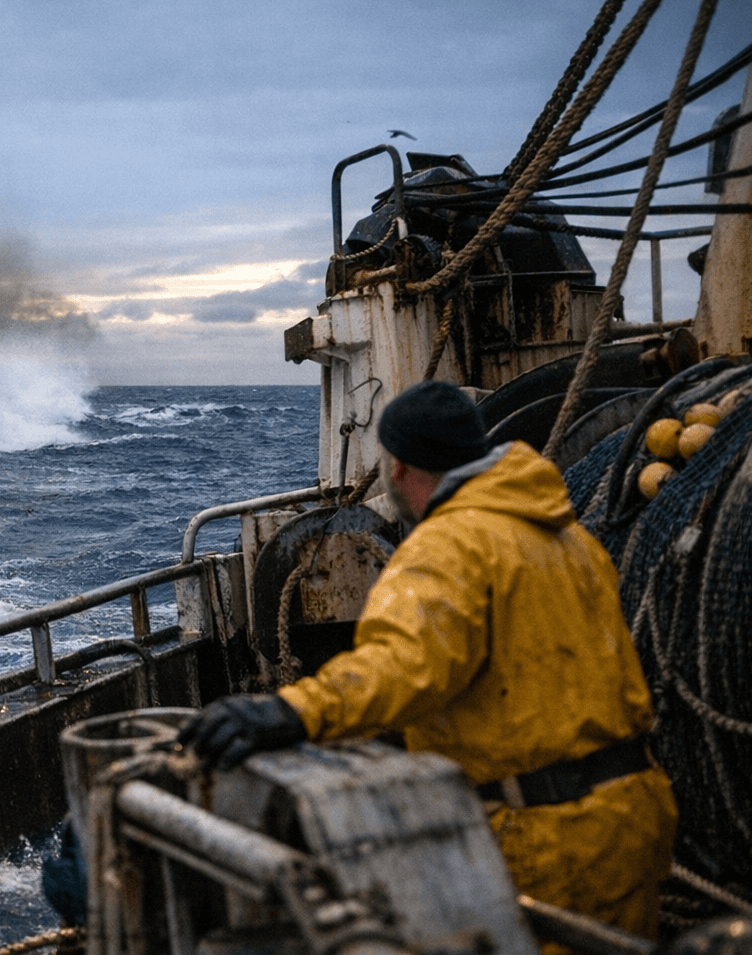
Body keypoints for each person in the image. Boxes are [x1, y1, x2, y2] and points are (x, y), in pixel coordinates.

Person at [180, 381, 677, 944]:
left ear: (397, 468)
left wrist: (292, 712)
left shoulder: (449, 544)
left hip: (548, 838)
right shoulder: (569, 538)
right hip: (632, 814)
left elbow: (405, 666)